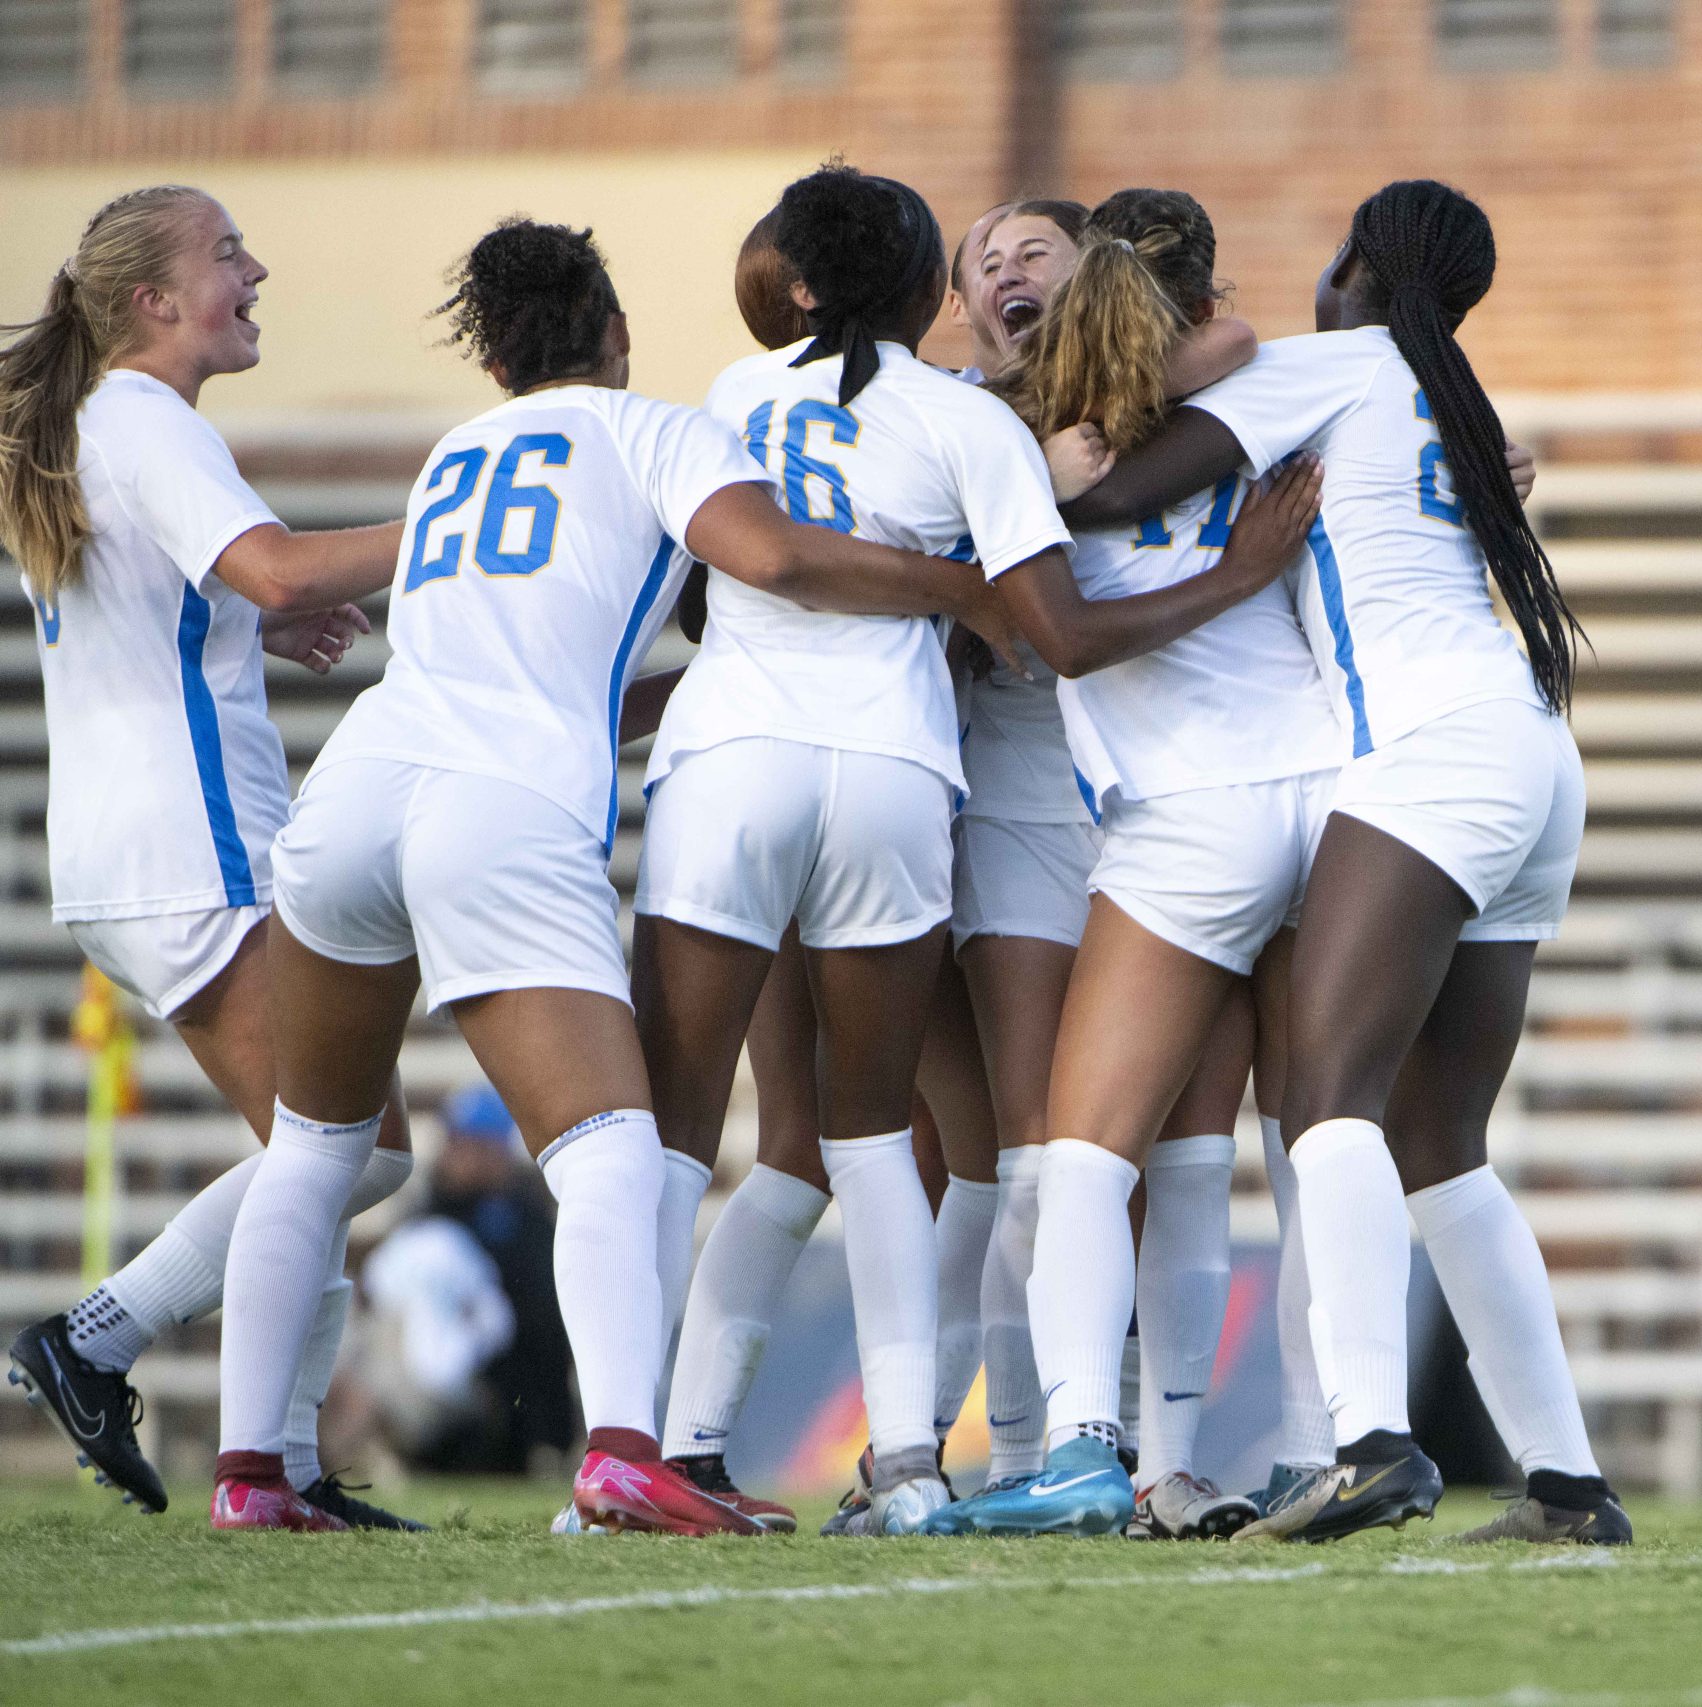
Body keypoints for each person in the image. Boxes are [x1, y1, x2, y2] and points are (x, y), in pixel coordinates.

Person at [209, 216, 1017, 1533]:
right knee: (612, 1147)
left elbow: (567, 661)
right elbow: (777, 556)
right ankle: (631, 1451)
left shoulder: (461, 452)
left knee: (313, 1141)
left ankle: (253, 1470)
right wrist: (964, 588)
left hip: (355, 790)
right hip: (502, 806)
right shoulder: (657, 429)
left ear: (496, 349)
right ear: (617, 329)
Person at [1050, 179, 1623, 1547]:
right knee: (1442, 1145)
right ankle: (1566, 1481)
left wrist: (1032, 450)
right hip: (1534, 757)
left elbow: (1116, 490)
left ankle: (1369, 1440)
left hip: (1432, 754)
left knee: (1328, 1095)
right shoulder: (1448, 388)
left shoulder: (1327, 364)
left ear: (1359, 262)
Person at [632, 165, 1080, 1537]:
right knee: (875, 1133)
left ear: (801, 279)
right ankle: (905, 1463)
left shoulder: (724, 394)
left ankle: (653, 1451)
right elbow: (1032, 615)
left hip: (731, 758)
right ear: (922, 287)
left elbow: (714, 583)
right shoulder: (962, 418)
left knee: (670, 1134)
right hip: (895, 767)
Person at [0, 185, 421, 1530]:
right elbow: (281, 567)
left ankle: (286, 1465)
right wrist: (457, 532)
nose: (256, 269)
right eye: (226, 251)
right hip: (195, 841)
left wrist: (250, 631)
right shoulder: (141, 415)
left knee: (327, 1147)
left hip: (145, 842)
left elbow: (211, 598)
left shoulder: (105, 422)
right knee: (347, 1145)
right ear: (152, 301)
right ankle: (102, 1342)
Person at [918, 190, 1331, 1540]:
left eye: (1037, 251)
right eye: (984, 262)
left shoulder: (1052, 437)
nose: (1007, 269)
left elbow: (1062, 627)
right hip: (1269, 792)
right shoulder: (1214, 400)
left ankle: (1093, 1454)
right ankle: (1178, 1453)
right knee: (1170, 1148)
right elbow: (1234, 347)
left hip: (1178, 810)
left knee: (1104, 1153)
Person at [362, 1085, 575, 1475]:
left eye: (481, 1146)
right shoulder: (426, 1213)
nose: (468, 1157)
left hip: (503, 1387)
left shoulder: (527, 1219)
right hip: (435, 1377)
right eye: (461, 1144)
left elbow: (541, 1322)